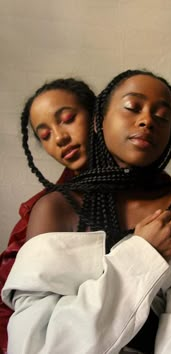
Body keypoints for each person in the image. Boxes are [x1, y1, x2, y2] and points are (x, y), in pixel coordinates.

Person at [2, 69, 171, 353]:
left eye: (163, 116)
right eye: (131, 107)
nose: (147, 120)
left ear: (92, 118)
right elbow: (35, 344)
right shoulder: (52, 208)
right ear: (102, 119)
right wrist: (145, 252)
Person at [0, 77, 96, 353]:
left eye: (67, 119)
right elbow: (12, 307)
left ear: (97, 116)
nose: (60, 138)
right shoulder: (44, 212)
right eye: (45, 135)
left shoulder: (159, 191)